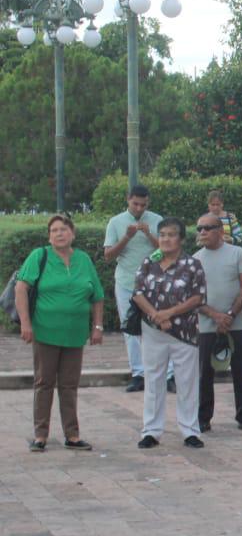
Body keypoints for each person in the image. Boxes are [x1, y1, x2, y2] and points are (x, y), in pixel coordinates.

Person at [15, 214, 104, 452]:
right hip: (45, 330)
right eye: (54, 230)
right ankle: (40, 435)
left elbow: (97, 296)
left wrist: (97, 327)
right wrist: (25, 323)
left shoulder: (83, 259)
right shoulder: (39, 256)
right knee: (44, 383)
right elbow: (21, 288)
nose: (59, 233)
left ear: (73, 233)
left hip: (75, 334)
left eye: (64, 229)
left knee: (69, 384)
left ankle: (72, 435)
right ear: (49, 236)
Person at [132, 217, 207, 449]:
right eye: (162, 234)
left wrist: (170, 314)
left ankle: (190, 430)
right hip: (153, 331)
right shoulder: (149, 261)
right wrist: (156, 315)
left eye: (171, 234)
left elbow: (197, 297)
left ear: (181, 239)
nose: (165, 239)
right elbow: (137, 292)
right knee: (154, 380)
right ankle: (151, 431)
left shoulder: (192, 264)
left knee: (187, 382)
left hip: (184, 332)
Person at [194, 212, 242, 432]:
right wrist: (215, 316)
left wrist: (229, 314)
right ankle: (202, 418)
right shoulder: (195, 259)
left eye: (207, 228)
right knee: (204, 373)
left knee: (240, 370)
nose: (202, 232)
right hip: (207, 325)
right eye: (199, 228)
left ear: (220, 231)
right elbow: (192, 297)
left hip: (237, 323)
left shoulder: (237, 254)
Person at [103, 185, 163, 392]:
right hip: (126, 281)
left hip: (153, 282)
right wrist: (127, 237)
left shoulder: (156, 220)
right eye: (135, 204)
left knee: (159, 326)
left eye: (143, 205)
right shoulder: (116, 222)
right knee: (130, 328)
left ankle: (167, 374)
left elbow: (167, 250)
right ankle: (138, 373)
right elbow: (108, 255)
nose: (138, 208)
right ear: (128, 199)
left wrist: (149, 235)